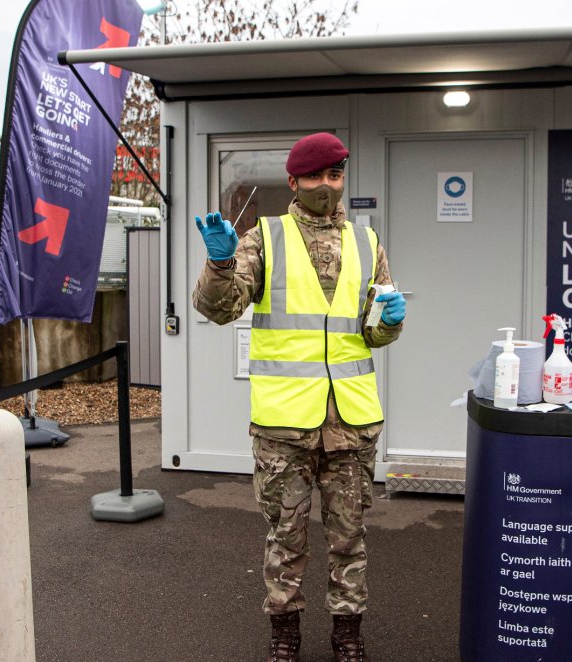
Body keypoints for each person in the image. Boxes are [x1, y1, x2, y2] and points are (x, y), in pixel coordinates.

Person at [192, 132, 405, 662]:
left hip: (351, 422)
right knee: (285, 539)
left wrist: (390, 324)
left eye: (335, 176)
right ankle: (284, 635)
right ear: (294, 182)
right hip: (285, 425)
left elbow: (374, 328)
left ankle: (347, 636)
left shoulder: (367, 242)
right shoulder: (264, 239)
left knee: (349, 538)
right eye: (316, 177)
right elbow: (219, 309)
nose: (327, 187)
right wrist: (219, 264)